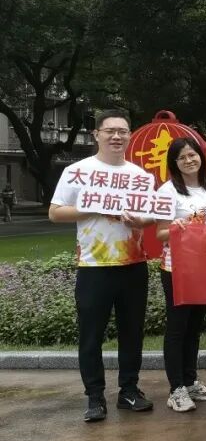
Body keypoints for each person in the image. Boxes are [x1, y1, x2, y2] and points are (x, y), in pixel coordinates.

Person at [49, 109, 154, 422]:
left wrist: (140, 220)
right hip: (93, 265)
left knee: (132, 332)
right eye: (110, 131)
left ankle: (129, 391)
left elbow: (151, 216)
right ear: (97, 134)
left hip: (133, 264)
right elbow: (55, 212)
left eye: (122, 131)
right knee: (91, 334)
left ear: (130, 135)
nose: (116, 136)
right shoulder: (78, 172)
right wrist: (94, 207)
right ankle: (95, 397)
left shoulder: (141, 176)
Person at [156, 138, 206, 413]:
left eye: (192, 155)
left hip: (204, 267)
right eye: (182, 157)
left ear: (200, 157)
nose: (189, 161)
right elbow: (159, 233)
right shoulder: (167, 191)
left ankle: (191, 381)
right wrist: (175, 227)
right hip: (177, 268)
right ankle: (176, 389)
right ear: (174, 163)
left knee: (194, 326)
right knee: (177, 327)